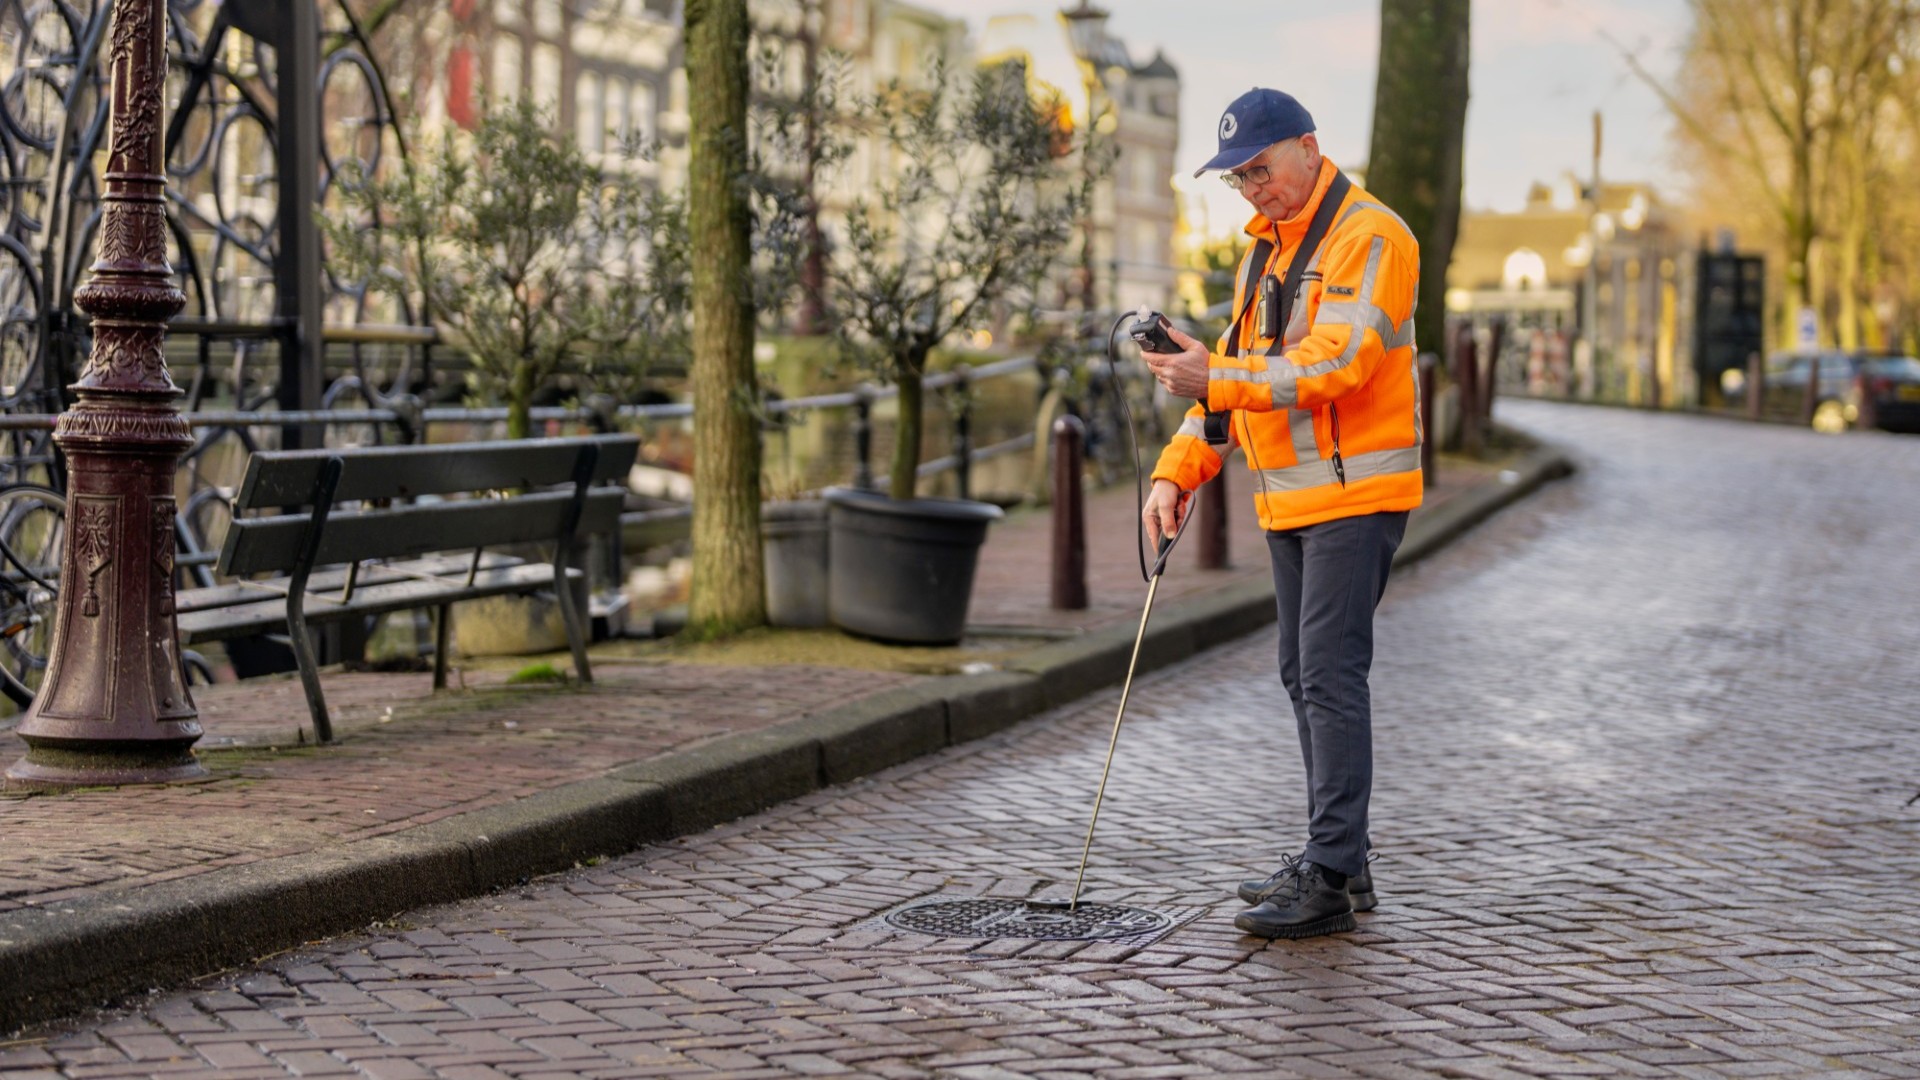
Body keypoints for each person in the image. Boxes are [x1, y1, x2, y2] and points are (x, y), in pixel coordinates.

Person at [1139, 87, 1422, 940]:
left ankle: (1330, 874)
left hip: (1355, 493)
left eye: (1260, 169)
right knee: (1304, 672)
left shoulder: (1372, 236)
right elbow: (1232, 373)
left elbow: (1332, 365)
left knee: (1329, 674)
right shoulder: (1264, 254)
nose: (1252, 189)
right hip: (1291, 499)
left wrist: (1213, 378)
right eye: (1236, 179)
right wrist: (1177, 472)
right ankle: (1345, 857)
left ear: (1308, 147)